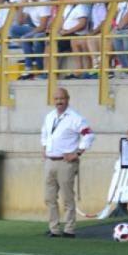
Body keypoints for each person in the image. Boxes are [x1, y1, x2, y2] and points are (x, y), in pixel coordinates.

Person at [41, 88, 94, 238]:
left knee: (67, 197)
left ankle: (69, 229)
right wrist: (44, 148)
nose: (59, 101)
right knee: (49, 197)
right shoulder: (50, 116)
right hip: (50, 160)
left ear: (68, 99)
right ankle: (54, 229)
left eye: (62, 98)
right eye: (56, 99)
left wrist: (77, 152)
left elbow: (89, 135)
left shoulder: (75, 117)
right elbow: (45, 134)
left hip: (66, 162)